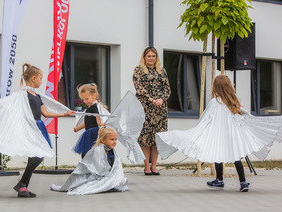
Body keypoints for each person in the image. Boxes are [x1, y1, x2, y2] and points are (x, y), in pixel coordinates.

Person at [156, 74, 282, 192]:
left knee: (217, 154)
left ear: (216, 87)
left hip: (218, 134)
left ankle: (220, 180)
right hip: (232, 136)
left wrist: (199, 130)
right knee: (236, 157)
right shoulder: (233, 103)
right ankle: (243, 182)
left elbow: (206, 118)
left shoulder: (215, 102)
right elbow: (244, 117)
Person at [13, 63, 74, 198]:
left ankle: (23, 187)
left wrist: (64, 114)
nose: (42, 81)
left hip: (39, 127)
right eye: (41, 78)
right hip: (30, 128)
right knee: (38, 156)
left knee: (33, 157)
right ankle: (22, 184)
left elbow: (45, 113)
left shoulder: (37, 96)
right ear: (33, 78)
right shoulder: (22, 95)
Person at [51, 127, 129, 195]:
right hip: (92, 174)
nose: (114, 142)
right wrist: (108, 177)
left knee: (121, 181)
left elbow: (116, 166)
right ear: (103, 140)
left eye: (116, 139)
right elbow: (98, 169)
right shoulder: (98, 150)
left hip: (104, 175)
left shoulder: (113, 151)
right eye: (112, 139)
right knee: (92, 184)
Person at [133, 46, 171, 176]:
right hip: (145, 107)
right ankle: (146, 167)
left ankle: (154, 166)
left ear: (156, 57)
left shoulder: (161, 70)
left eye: (153, 56)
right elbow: (139, 88)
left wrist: (161, 99)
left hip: (160, 108)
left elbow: (167, 89)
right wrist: (151, 99)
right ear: (144, 57)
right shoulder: (139, 70)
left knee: (157, 138)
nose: (151, 58)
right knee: (145, 137)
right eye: (149, 56)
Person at [73, 83, 109, 158]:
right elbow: (87, 122)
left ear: (94, 96)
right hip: (89, 132)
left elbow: (98, 117)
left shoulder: (95, 107)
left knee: (91, 152)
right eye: (83, 99)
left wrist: (100, 124)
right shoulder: (89, 108)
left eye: (87, 99)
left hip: (93, 133)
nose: (85, 101)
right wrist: (78, 128)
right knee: (87, 152)